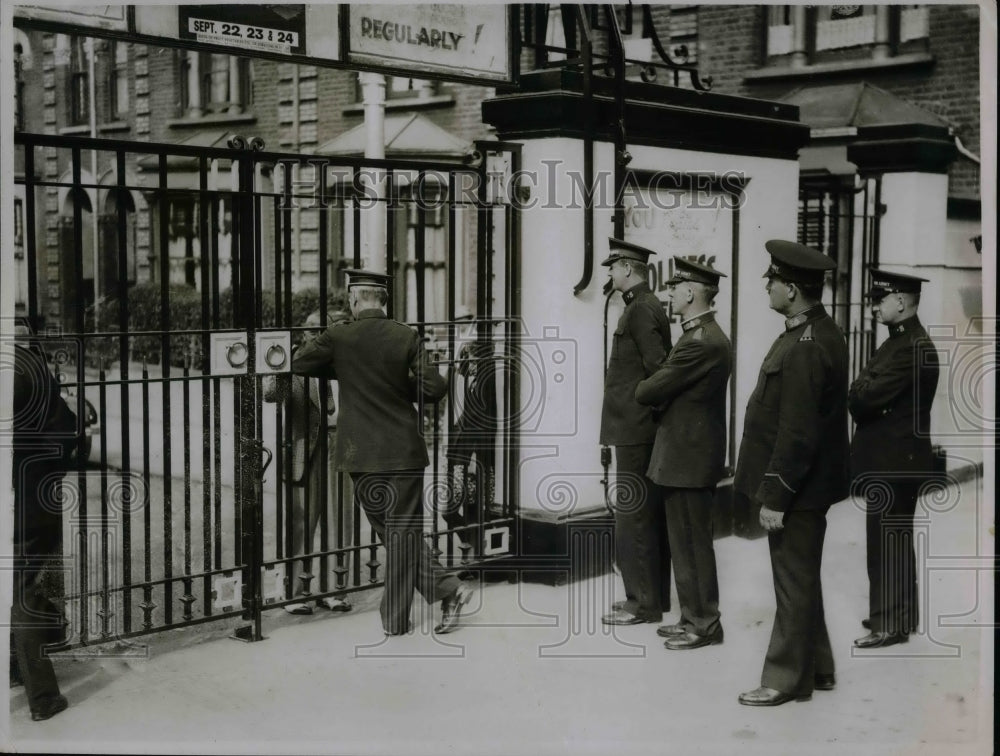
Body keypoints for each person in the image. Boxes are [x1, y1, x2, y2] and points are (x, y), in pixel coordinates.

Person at [291, 270, 473, 636]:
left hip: (361, 456)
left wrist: (347, 371)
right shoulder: (406, 335)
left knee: (394, 533)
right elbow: (435, 388)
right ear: (384, 300)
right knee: (401, 533)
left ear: (354, 298)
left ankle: (403, 618)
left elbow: (299, 363)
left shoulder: (339, 337)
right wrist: (396, 384)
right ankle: (443, 592)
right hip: (405, 452)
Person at [734, 240, 848, 707]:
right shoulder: (815, 332)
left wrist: (775, 496)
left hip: (796, 489)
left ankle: (784, 679)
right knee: (800, 577)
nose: (768, 285)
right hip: (808, 485)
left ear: (794, 290)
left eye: (774, 280)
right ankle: (818, 667)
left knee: (793, 580)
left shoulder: (806, 344)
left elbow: (798, 432)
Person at [635, 257, 731, 650]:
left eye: (675, 288)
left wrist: (652, 389)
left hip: (690, 458)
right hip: (684, 456)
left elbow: (649, 390)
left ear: (690, 292)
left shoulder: (701, 342)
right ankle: (692, 616)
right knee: (684, 541)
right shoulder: (698, 336)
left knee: (693, 543)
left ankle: (705, 623)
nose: (669, 293)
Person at [849, 269, 940, 648]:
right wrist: (862, 388)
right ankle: (899, 617)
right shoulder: (900, 343)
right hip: (895, 459)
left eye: (878, 300)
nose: (873, 307)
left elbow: (862, 397)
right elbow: (863, 390)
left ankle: (890, 624)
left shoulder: (909, 348)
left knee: (887, 540)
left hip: (894, 462)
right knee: (894, 538)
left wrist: (861, 389)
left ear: (900, 301)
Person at [599, 237, 674, 626]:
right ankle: (651, 597)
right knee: (642, 513)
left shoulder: (641, 309)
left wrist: (648, 420)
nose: (609, 273)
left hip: (637, 431)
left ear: (628, 268)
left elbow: (659, 370)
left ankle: (643, 604)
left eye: (612, 267)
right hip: (636, 428)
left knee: (636, 515)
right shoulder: (643, 306)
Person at [264, 307, 354, 615]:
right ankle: (297, 592)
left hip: (342, 444)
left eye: (323, 330)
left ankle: (335, 590)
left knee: (338, 519)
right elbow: (270, 394)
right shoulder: (296, 359)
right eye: (312, 330)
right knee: (302, 521)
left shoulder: (346, 361)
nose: (317, 335)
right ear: (303, 333)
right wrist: (285, 364)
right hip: (307, 449)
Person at [10, 323, 79, 721]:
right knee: (23, 593)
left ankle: (18, 667)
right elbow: (67, 431)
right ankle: (43, 698)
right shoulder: (32, 368)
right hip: (31, 503)